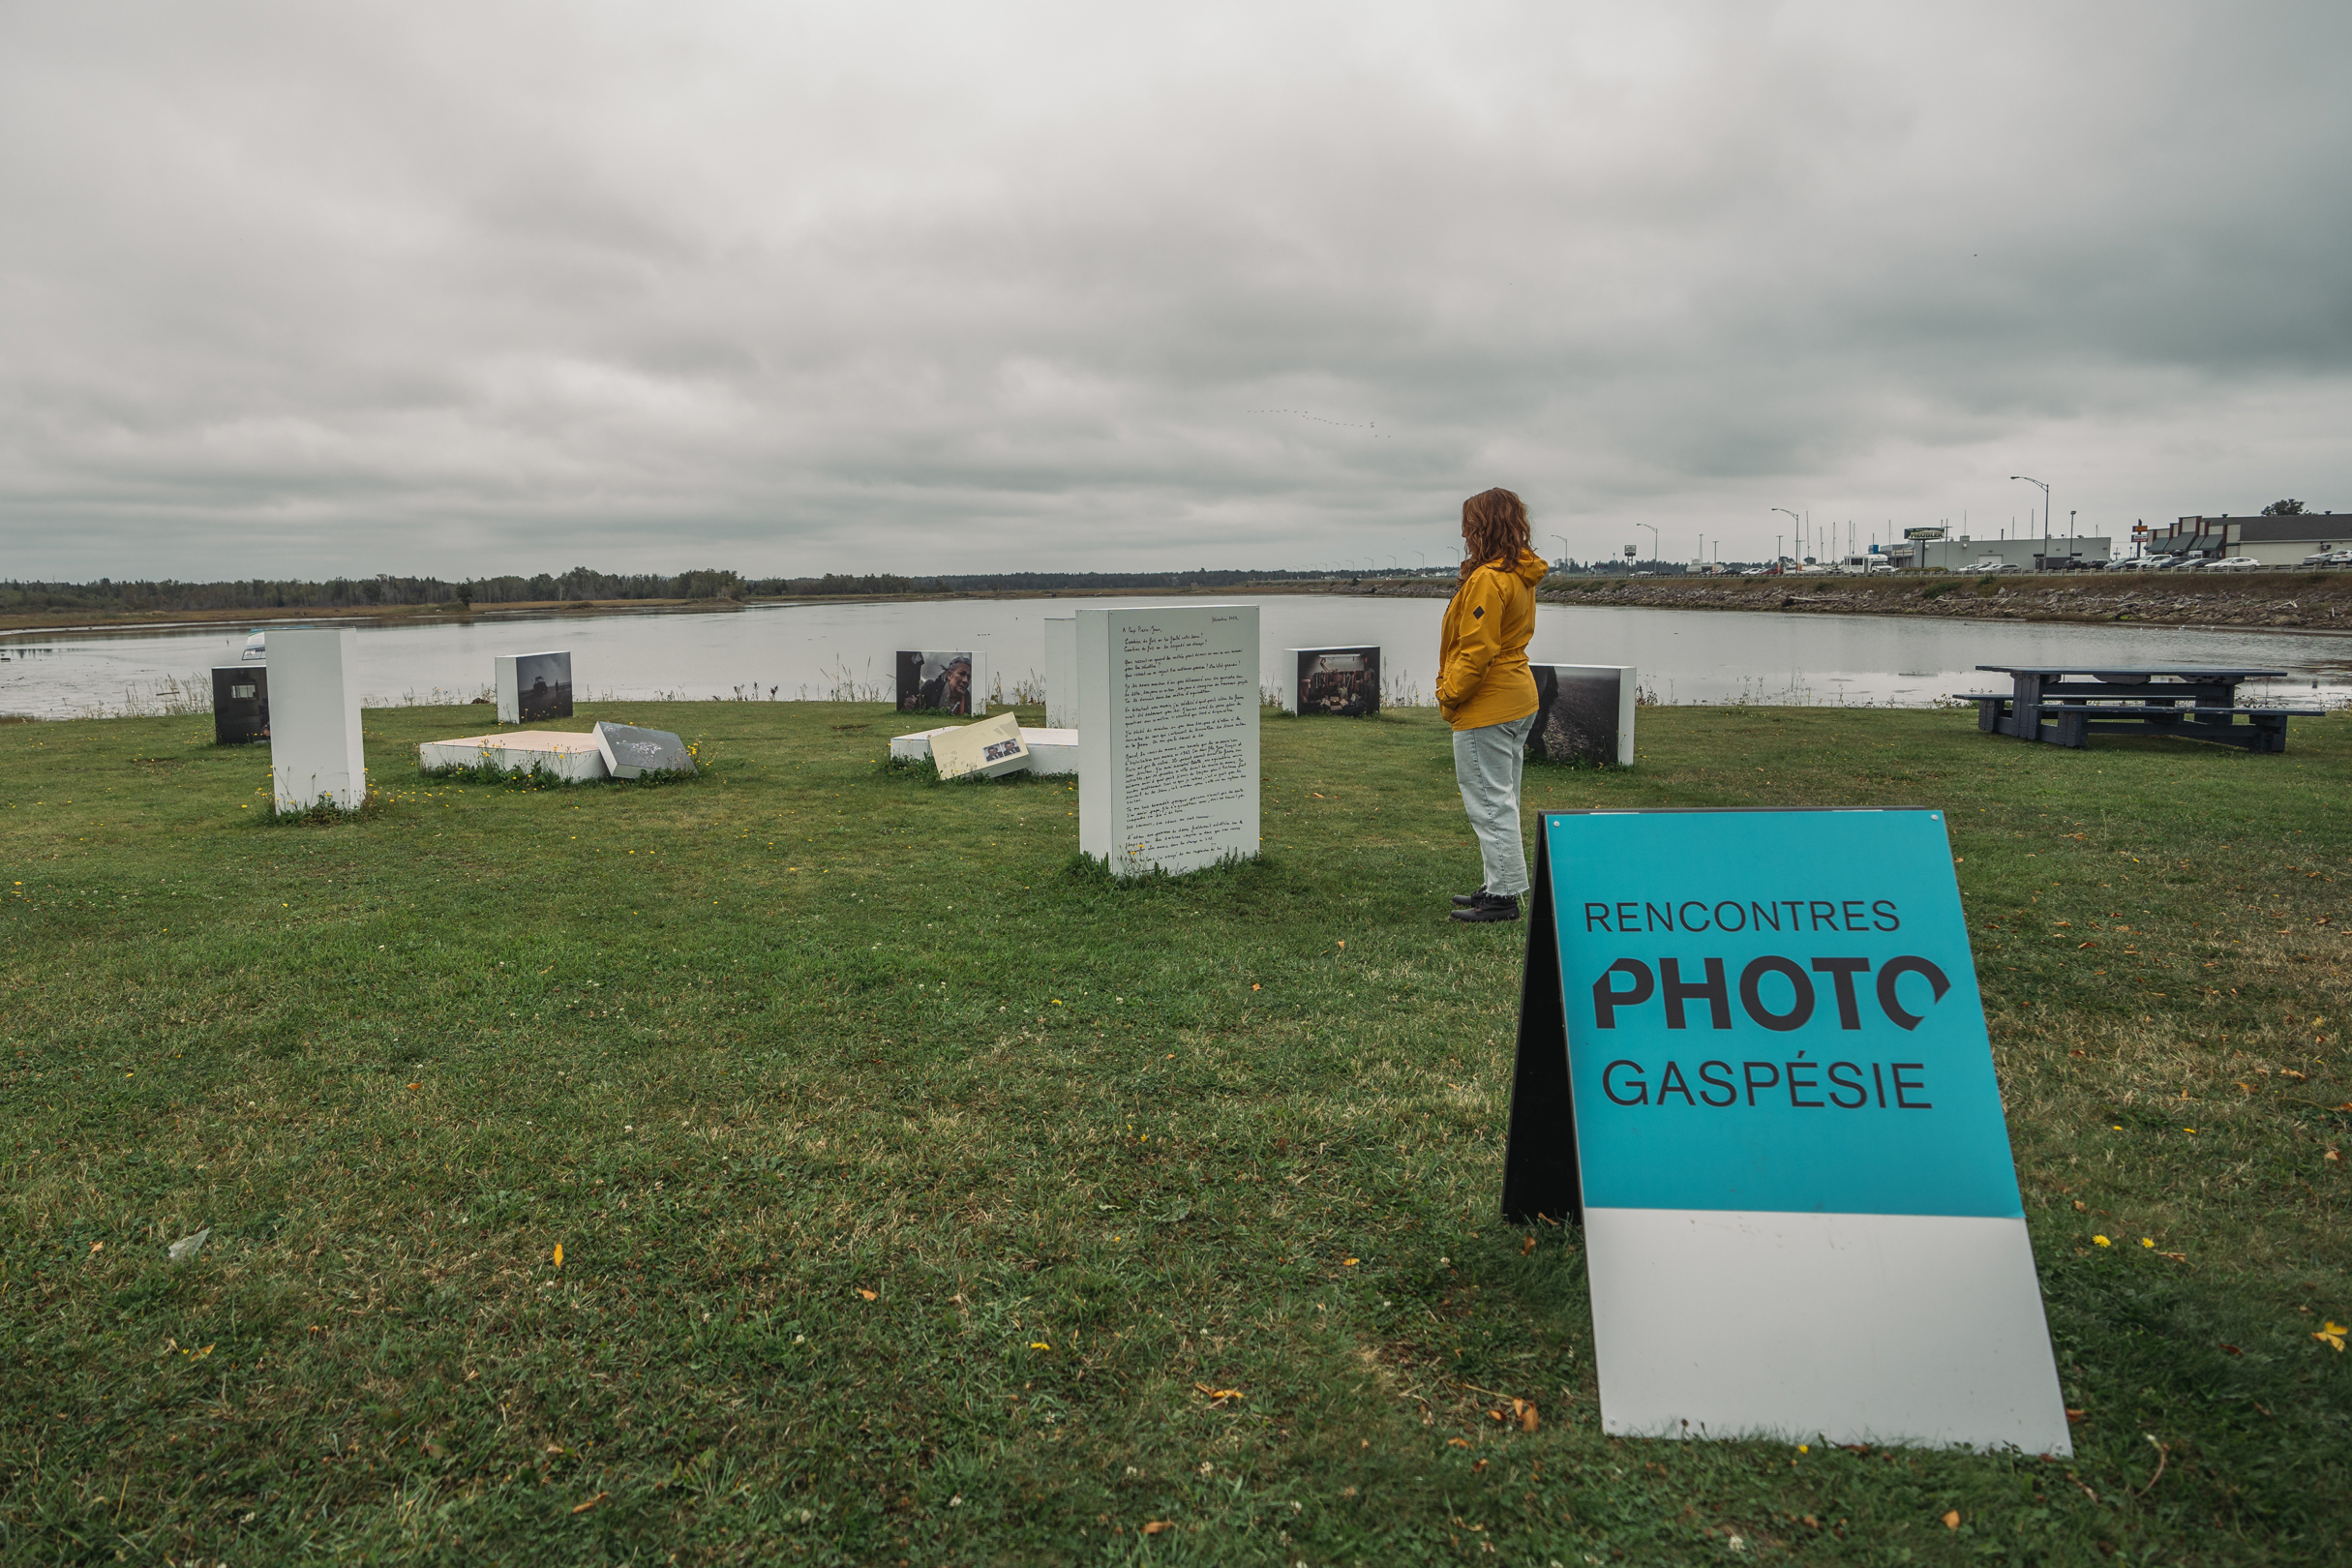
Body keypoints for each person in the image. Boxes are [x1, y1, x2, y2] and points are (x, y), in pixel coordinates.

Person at [1435, 488, 1548, 922]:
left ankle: (1501, 898)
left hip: (1490, 703)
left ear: (1481, 526)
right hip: (1518, 696)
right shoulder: (1519, 573)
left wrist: (1449, 693)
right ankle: (1495, 884)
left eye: (1469, 524)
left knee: (1487, 800)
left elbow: (1477, 649)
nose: (1464, 533)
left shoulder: (1488, 578)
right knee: (1503, 797)